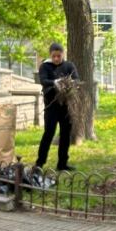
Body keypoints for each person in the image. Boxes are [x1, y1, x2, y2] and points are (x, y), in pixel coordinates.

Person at [36, 43, 79, 171]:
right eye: (54, 56)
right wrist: (55, 82)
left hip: (66, 106)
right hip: (51, 106)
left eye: (58, 56)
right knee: (49, 133)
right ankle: (39, 163)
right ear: (50, 55)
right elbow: (43, 81)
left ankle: (62, 164)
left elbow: (77, 79)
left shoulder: (69, 65)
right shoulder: (45, 66)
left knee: (65, 135)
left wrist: (70, 83)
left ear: (62, 54)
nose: (56, 59)